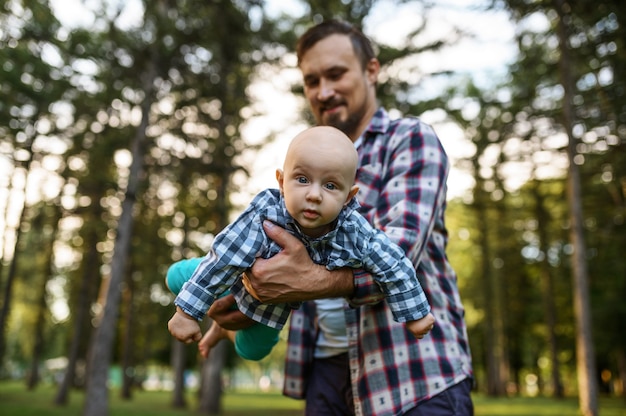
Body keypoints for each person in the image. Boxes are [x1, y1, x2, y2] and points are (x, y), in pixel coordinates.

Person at [208, 20, 474, 415]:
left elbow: (400, 254)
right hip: (326, 377)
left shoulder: (410, 139)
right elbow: (275, 248)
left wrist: (303, 281)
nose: (323, 91)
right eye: (311, 80)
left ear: (371, 70)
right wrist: (245, 293)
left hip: (414, 375)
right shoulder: (306, 161)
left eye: (335, 74)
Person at [167, 125, 436, 362]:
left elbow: (393, 263)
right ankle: (211, 303)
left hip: (270, 304)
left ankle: (223, 329)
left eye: (330, 185)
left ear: (348, 197)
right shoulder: (265, 213)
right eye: (303, 180)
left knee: (252, 352)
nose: (314, 195)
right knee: (175, 276)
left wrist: (415, 313)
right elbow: (225, 257)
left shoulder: (354, 231)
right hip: (234, 272)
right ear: (282, 182)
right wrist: (187, 313)